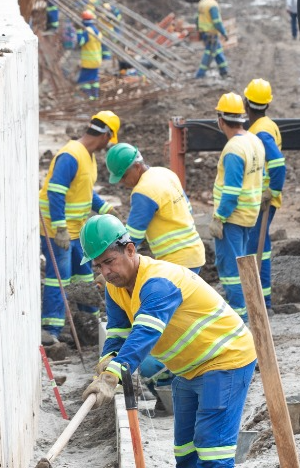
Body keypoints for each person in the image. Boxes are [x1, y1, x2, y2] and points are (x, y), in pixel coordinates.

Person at [80, 214, 257, 468]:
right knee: (185, 450)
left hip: (225, 361)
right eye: (98, 267)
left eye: (109, 262)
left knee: (211, 449)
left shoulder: (158, 282)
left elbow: (145, 331)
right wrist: (105, 365)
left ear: (130, 250)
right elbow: (118, 332)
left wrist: (116, 373)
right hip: (189, 368)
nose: (105, 272)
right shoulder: (117, 288)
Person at [38, 112, 121, 344]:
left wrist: (106, 209)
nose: (108, 146)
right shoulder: (70, 155)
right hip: (59, 232)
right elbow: (55, 191)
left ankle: (88, 326)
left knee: (83, 277)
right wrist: (60, 228)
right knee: (59, 278)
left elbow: (85, 191)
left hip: (77, 231)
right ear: (104, 135)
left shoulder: (88, 156)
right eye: (109, 140)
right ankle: (50, 331)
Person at [203, 93, 265, 319]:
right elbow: (262, 175)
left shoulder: (233, 149)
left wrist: (219, 218)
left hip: (233, 218)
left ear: (221, 119)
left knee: (231, 271)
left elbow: (230, 192)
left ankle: (241, 319)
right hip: (250, 215)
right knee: (245, 266)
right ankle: (251, 313)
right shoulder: (254, 141)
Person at [104, 143, 205, 272]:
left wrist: (112, 265)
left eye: (124, 176)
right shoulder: (165, 173)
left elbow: (132, 237)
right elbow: (188, 209)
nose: (122, 182)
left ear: (137, 167)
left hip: (177, 260)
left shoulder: (143, 191)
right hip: (194, 252)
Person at [243, 80, 287, 310]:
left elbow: (278, 164)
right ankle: (263, 300)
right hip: (264, 199)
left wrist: (272, 191)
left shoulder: (260, 130)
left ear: (246, 103)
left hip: (263, 201)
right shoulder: (266, 124)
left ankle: (264, 302)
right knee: (260, 246)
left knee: (257, 248)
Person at [193, 0, 230, 80]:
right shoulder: (213, 5)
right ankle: (199, 75)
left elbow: (197, 18)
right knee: (209, 54)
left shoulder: (203, 2)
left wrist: (198, 30)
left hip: (205, 33)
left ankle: (224, 71)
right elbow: (217, 22)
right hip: (211, 34)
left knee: (218, 51)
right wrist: (224, 33)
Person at [76, 11, 103, 100]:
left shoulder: (88, 31)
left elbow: (81, 42)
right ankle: (95, 96)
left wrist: (79, 31)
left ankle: (88, 96)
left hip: (89, 62)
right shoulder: (98, 32)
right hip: (97, 60)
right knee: (94, 79)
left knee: (84, 80)